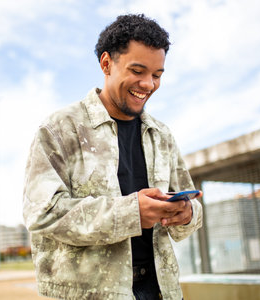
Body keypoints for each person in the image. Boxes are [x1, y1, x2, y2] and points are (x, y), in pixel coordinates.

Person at [23, 14, 202, 300]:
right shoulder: (59, 129)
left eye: (157, 75)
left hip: (161, 291)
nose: (148, 84)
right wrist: (131, 213)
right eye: (138, 71)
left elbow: (189, 210)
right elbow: (42, 214)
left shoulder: (162, 135)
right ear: (106, 64)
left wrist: (187, 213)